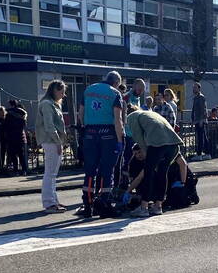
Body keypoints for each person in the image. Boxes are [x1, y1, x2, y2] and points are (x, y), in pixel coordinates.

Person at [76, 70, 125, 217]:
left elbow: (80, 114)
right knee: (107, 169)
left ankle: (88, 204)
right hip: (108, 134)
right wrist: (119, 140)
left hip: (90, 133)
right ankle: (104, 203)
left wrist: (84, 130)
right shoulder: (115, 93)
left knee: (90, 170)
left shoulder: (88, 90)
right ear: (116, 83)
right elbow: (118, 119)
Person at [126, 106, 182, 217]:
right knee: (162, 173)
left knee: (148, 174)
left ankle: (143, 207)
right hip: (173, 144)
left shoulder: (132, 117)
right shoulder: (150, 114)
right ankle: (158, 206)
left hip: (157, 144)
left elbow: (139, 138)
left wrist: (147, 156)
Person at [36, 80, 68, 213]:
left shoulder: (50, 104)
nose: (63, 94)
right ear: (55, 90)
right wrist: (58, 142)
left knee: (52, 173)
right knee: (50, 173)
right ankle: (49, 203)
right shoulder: (48, 104)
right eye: (62, 91)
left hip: (51, 140)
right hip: (51, 141)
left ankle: (53, 200)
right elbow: (50, 126)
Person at [4, 99, 28, 175]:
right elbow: (24, 124)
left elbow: (6, 125)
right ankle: (24, 170)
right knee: (21, 154)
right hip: (20, 136)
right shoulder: (22, 113)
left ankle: (16, 170)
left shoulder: (8, 114)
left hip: (11, 136)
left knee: (13, 155)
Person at [191, 82, 209, 160]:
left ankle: (199, 154)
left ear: (199, 88)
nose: (193, 89)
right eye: (193, 87)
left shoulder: (201, 97)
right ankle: (207, 153)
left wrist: (201, 120)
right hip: (198, 119)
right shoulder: (196, 97)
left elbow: (203, 109)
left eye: (195, 87)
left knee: (200, 137)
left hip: (200, 120)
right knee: (203, 137)